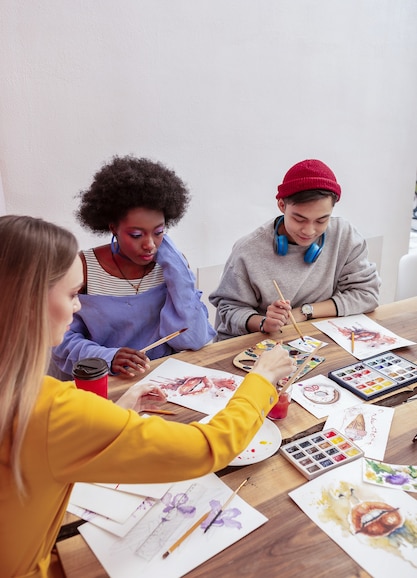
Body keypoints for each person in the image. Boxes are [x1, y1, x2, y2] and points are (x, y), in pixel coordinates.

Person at [0, 214, 294, 578]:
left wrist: (117, 410)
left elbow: (197, 334)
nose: (77, 307)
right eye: (73, 295)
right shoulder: (51, 408)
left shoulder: (35, 400)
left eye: (159, 234)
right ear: (26, 302)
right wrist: (262, 378)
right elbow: (206, 448)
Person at [50, 155, 216, 379]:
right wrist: (108, 357)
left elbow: (192, 338)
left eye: (159, 232)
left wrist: (176, 267)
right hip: (103, 386)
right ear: (113, 228)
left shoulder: (171, 266)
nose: (149, 245)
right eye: (136, 235)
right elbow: (60, 343)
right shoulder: (83, 268)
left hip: (162, 381)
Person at [210, 159, 380, 340]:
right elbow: (228, 309)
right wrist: (264, 322)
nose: (309, 231)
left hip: (312, 338)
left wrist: (304, 312)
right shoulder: (248, 250)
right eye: (299, 219)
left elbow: (366, 294)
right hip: (257, 343)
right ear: (282, 205)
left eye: (322, 220)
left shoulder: (344, 236)